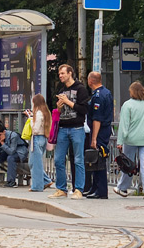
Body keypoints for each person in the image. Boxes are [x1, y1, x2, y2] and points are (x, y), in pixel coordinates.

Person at [49, 64, 87, 198]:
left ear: (70, 73)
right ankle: (61, 188)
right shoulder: (61, 89)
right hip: (63, 128)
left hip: (77, 128)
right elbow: (59, 112)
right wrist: (59, 108)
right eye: (59, 74)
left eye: (63, 73)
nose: (60, 76)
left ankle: (79, 189)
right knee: (59, 159)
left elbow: (83, 109)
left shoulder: (80, 89)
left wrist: (68, 102)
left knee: (78, 159)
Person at [115, 81, 144, 198]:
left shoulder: (128, 105)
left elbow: (124, 125)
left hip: (131, 139)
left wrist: (120, 141)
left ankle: (123, 188)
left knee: (128, 165)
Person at [84, 71, 113, 199]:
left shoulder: (98, 96)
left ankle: (101, 190)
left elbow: (97, 119)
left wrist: (94, 138)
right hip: (104, 129)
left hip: (100, 130)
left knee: (98, 158)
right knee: (95, 158)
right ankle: (95, 187)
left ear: (90, 81)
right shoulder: (106, 92)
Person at [28, 93, 52, 192]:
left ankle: (37, 186)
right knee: (34, 162)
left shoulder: (38, 113)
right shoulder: (46, 112)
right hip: (43, 138)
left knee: (35, 163)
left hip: (36, 138)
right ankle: (46, 180)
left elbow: (35, 129)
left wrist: (30, 119)